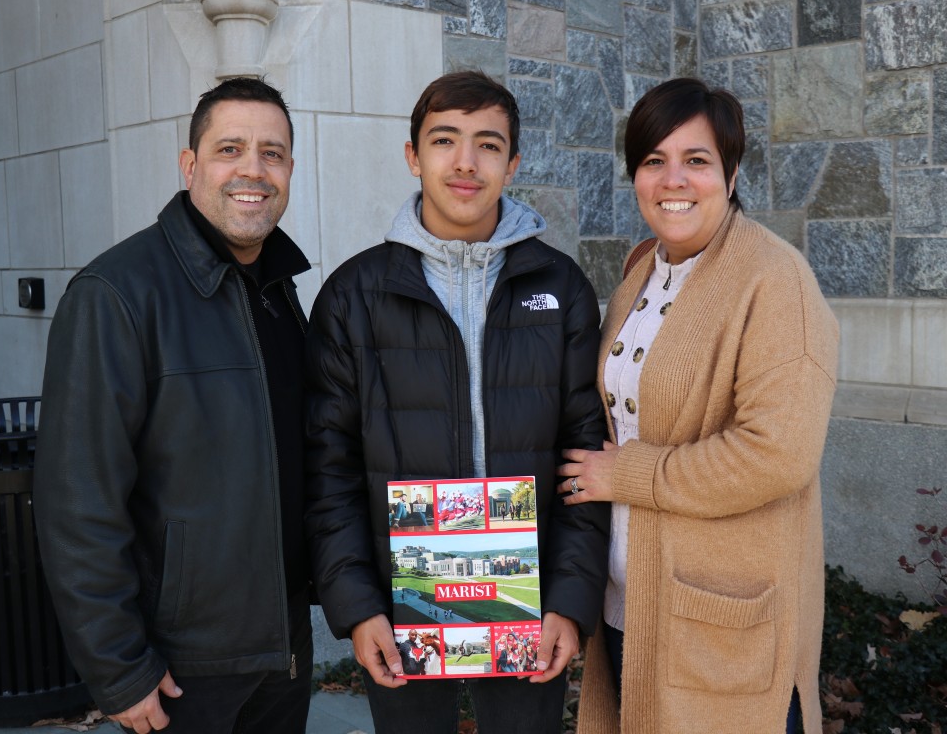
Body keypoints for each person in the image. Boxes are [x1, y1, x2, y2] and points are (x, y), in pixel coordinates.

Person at [304, 71, 609, 733]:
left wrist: (570, 600)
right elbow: (328, 470)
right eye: (445, 140)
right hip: (401, 604)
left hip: (528, 605)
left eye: (488, 144)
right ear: (413, 156)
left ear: (513, 163)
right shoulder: (352, 297)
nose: (465, 162)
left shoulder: (561, 290)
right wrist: (357, 606)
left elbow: (587, 458)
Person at [558, 77, 839, 733]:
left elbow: (777, 454)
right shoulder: (640, 273)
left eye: (697, 160)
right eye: (653, 160)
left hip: (719, 620)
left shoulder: (775, 280)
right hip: (632, 602)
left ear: (731, 173)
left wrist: (626, 474)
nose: (672, 179)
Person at [34, 77, 313, 734]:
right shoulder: (116, 294)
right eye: (230, 149)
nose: (253, 169)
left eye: (272, 153)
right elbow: (77, 502)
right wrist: (120, 668)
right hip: (182, 666)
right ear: (190, 166)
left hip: (283, 646)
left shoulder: (275, 289)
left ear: (291, 170)